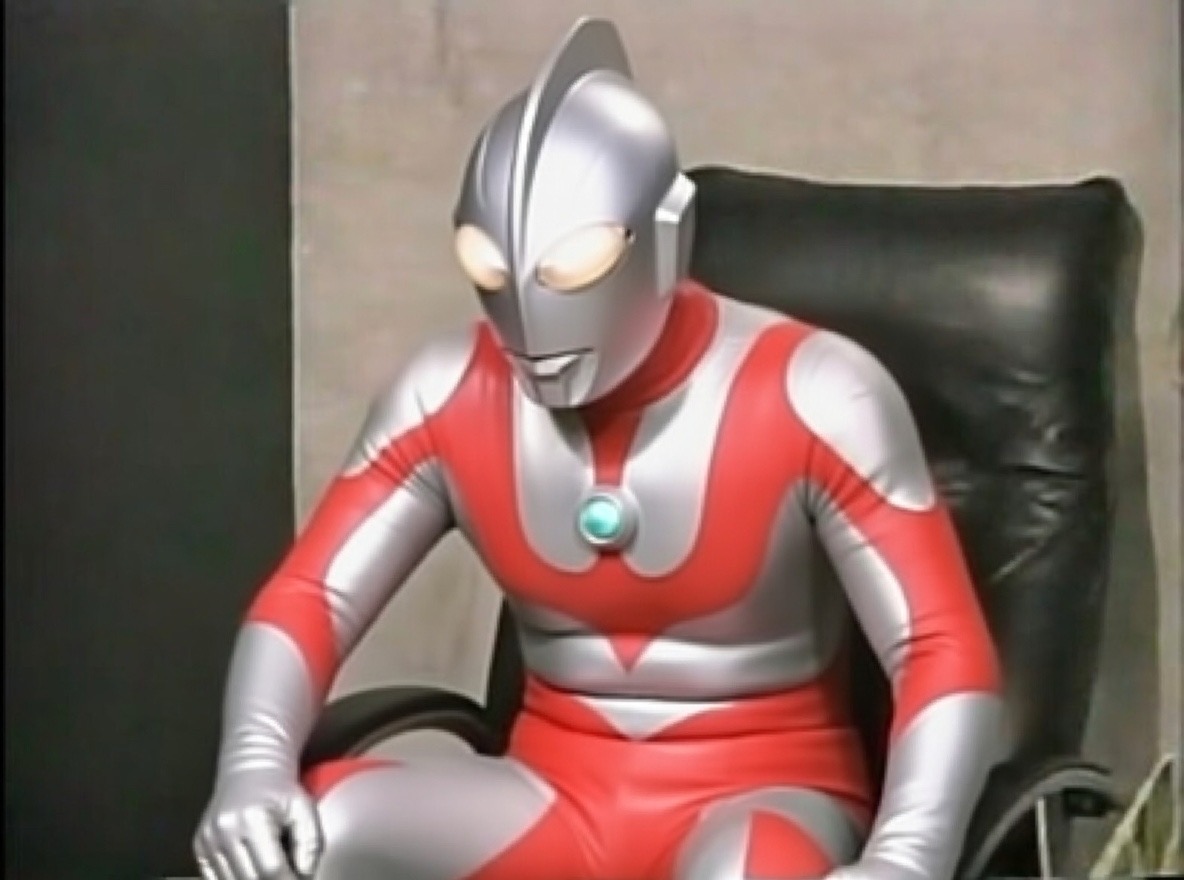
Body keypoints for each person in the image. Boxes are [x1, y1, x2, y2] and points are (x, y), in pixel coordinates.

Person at [194, 17, 1002, 880]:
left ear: (666, 235)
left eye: (573, 268)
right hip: (548, 796)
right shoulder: (444, 390)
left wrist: (906, 859)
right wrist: (252, 767)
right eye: (489, 268)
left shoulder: (822, 394)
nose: (529, 311)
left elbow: (939, 646)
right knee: (301, 839)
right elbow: (312, 596)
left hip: (761, 801)